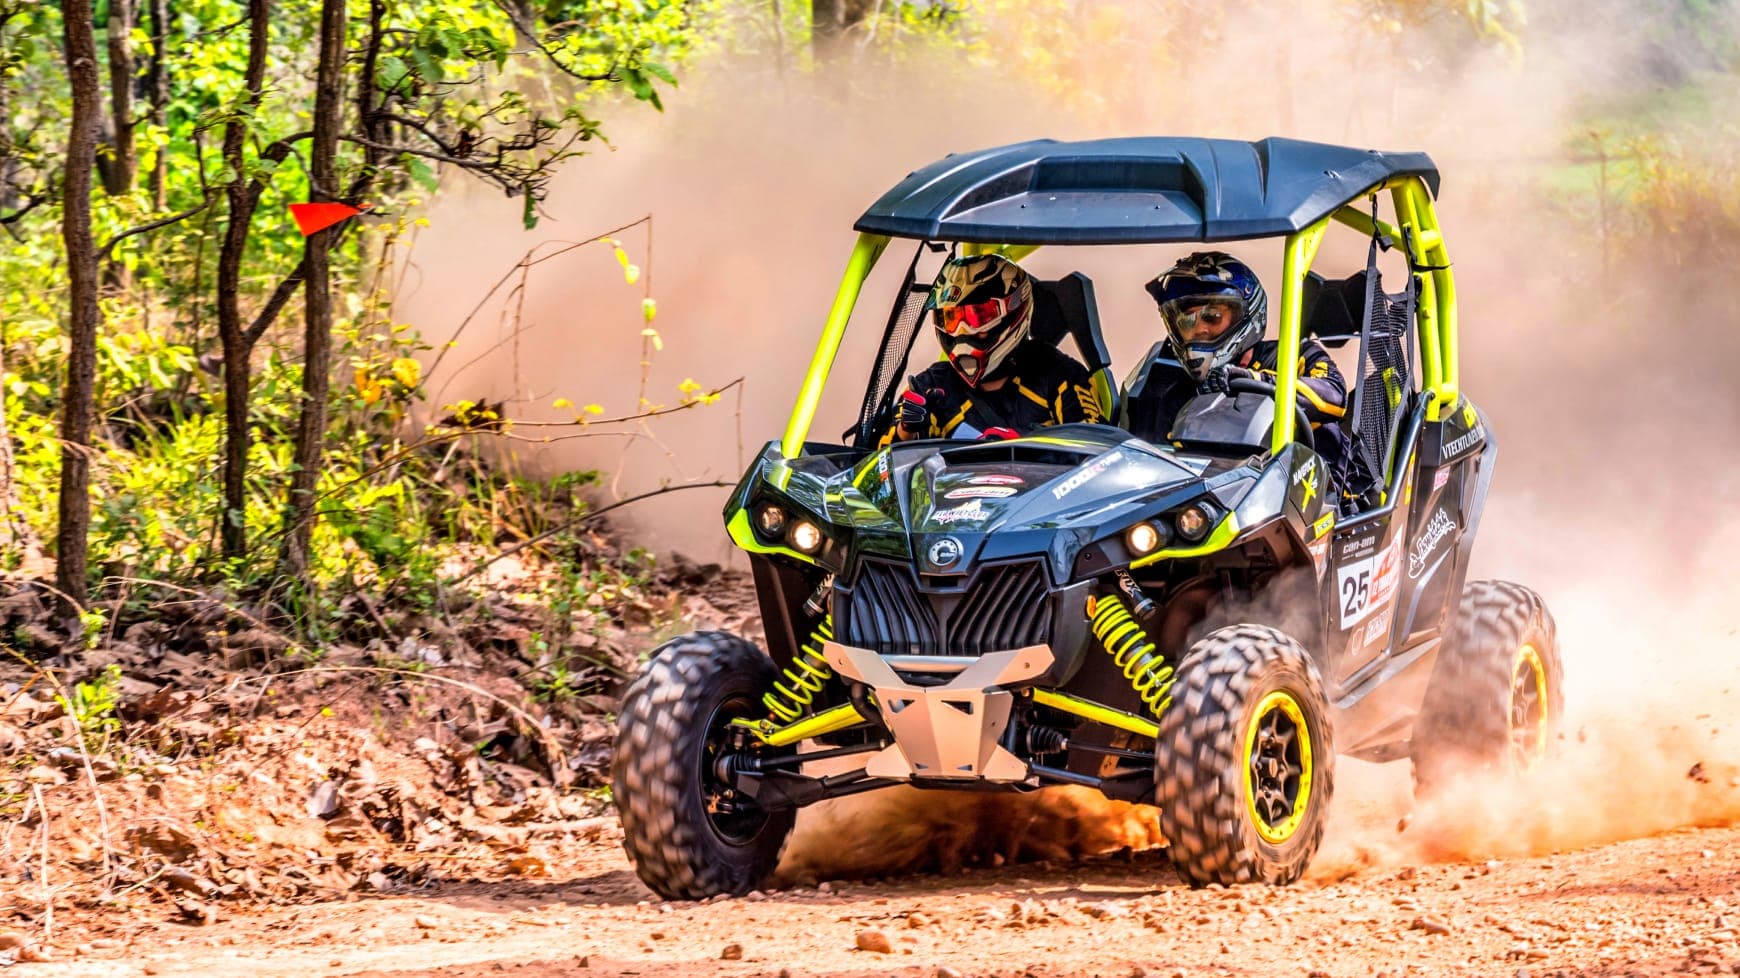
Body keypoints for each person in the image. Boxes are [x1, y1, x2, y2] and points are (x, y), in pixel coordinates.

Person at [1128, 251, 1350, 478]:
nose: (1200, 329)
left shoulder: (1294, 354)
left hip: (1315, 490)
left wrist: (1253, 380)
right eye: (1187, 321)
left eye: (1212, 316)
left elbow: (1334, 396)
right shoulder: (1170, 378)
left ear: (1246, 314)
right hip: (1215, 492)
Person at [879, 254, 1103, 446]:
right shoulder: (929, 388)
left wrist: (1024, 443)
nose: (962, 332)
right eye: (952, 318)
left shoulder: (1060, 375)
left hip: (1045, 484)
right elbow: (881, 467)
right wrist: (906, 432)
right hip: (952, 485)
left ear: (1013, 311)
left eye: (978, 316)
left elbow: (1095, 450)